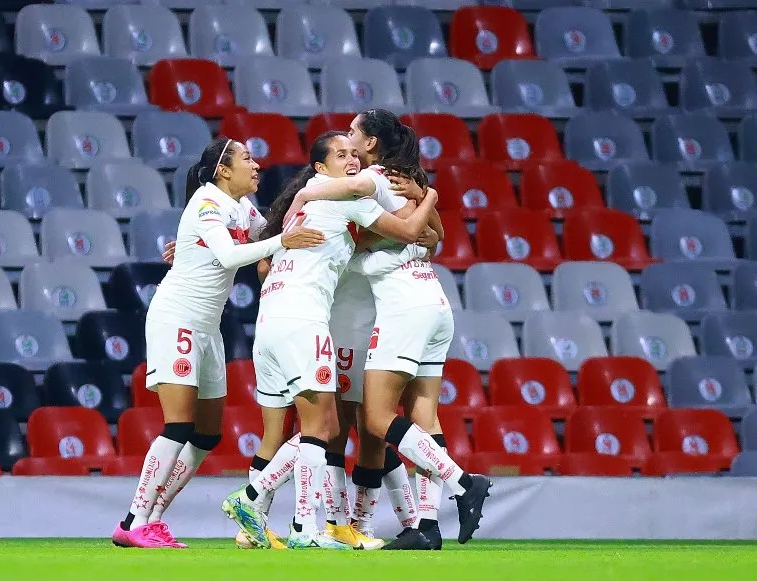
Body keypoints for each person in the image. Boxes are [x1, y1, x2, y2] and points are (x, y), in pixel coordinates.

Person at [222, 131, 439, 549]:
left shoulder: (301, 207)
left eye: (354, 154)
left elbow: (266, 260)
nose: (353, 160)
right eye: (341, 155)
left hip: (269, 322)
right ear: (321, 168)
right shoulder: (346, 201)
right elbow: (413, 231)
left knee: (322, 425)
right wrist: (428, 194)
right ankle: (252, 499)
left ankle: (304, 526)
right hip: (304, 320)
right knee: (322, 426)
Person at [289, 109, 493, 546]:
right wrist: (428, 197)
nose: (347, 141)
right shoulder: (405, 183)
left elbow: (394, 221)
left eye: (352, 134)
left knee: (377, 420)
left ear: (371, 144)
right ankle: (427, 526)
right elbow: (433, 236)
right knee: (423, 416)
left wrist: (308, 192)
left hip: (399, 309)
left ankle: (462, 483)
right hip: (434, 302)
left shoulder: (376, 177)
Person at [111, 137, 324, 549]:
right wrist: (283, 242)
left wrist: (309, 198)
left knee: (207, 434)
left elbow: (270, 232)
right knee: (178, 425)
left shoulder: (240, 206)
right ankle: (133, 520)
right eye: (247, 158)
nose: (257, 164)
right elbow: (231, 256)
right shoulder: (208, 202)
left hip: (208, 329)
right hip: (178, 320)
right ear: (223, 170)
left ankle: (154, 517)